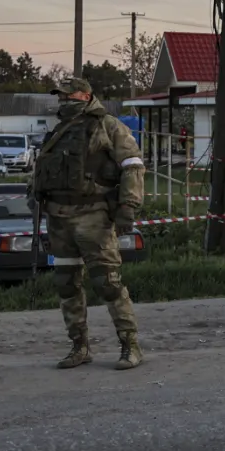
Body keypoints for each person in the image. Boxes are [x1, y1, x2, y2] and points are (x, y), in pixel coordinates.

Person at [31, 76, 146, 370]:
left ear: (85, 95)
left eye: (69, 96)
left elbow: (132, 166)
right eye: (61, 97)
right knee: (66, 283)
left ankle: (130, 345)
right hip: (59, 218)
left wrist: (128, 206)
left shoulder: (109, 126)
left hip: (93, 216)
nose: (64, 101)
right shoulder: (58, 130)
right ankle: (79, 346)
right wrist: (33, 193)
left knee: (107, 283)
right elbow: (44, 167)